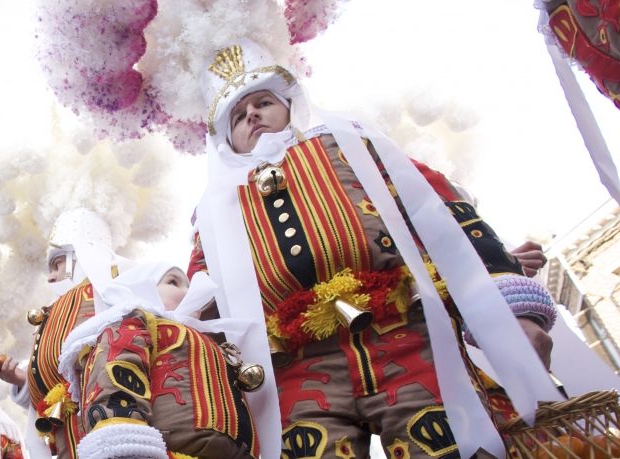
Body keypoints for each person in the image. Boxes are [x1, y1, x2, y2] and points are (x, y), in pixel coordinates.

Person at [188, 42, 560, 458]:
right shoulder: (213, 214)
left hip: (407, 333)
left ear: (292, 106)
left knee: (457, 448)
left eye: (262, 102)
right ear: (227, 140)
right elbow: (201, 304)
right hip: (296, 369)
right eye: (238, 116)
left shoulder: (353, 146)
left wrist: (512, 312)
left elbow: (445, 215)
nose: (252, 115)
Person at [59, 262, 265, 458]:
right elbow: (117, 370)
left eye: (189, 285)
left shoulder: (205, 339)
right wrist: (124, 446)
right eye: (173, 282)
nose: (187, 291)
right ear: (140, 288)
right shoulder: (135, 323)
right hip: (167, 452)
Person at [0, 208, 123, 458]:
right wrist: (22, 379)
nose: (50, 279)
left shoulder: (114, 295)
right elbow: (61, 379)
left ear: (79, 257)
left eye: (57, 265)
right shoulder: (59, 307)